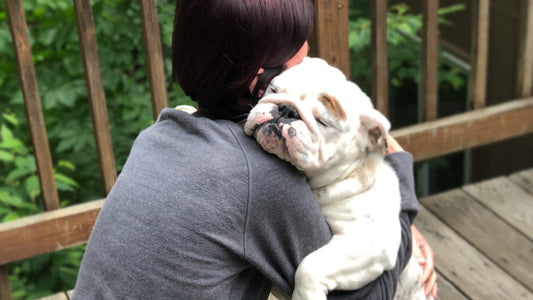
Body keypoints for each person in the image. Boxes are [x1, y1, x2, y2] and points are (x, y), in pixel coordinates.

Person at [72, 0, 437, 299]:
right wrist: (397, 178)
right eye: (298, 56)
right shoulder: (258, 178)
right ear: (259, 83)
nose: (309, 58)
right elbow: (368, 297)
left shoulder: (157, 136)